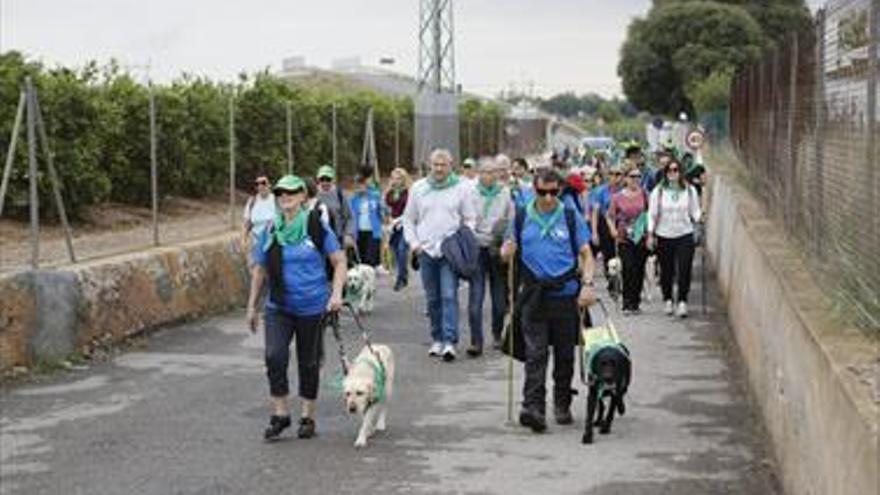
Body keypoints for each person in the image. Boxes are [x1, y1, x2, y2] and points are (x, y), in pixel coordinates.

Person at [246, 175, 347, 441]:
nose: (285, 196)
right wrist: (251, 307)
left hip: (313, 306)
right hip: (278, 306)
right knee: (274, 356)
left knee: (309, 361)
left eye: (291, 192)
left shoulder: (316, 225)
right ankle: (281, 414)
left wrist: (336, 294)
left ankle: (307, 416)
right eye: (280, 193)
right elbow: (259, 270)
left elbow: (339, 261)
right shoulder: (270, 230)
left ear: (303, 196)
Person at [502, 167, 596, 432]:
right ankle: (533, 408)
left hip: (566, 294)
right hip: (533, 295)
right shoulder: (521, 216)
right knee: (536, 354)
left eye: (554, 192)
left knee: (565, 354)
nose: (547, 198)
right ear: (534, 189)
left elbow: (587, 255)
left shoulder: (568, 214)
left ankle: (562, 401)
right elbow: (506, 254)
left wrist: (587, 285)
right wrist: (506, 251)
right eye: (542, 192)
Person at [403, 148, 477, 362]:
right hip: (426, 250)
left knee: (448, 295)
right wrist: (414, 243)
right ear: (430, 165)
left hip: (449, 251)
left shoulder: (461, 188)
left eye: (443, 164)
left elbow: (470, 218)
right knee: (433, 298)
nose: (439, 169)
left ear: (450, 166)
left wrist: (461, 240)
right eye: (435, 164)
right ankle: (436, 338)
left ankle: (450, 341)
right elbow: (409, 219)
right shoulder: (418, 188)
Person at [467, 156, 514, 355]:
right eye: (485, 171)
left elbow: (510, 221)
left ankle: (496, 333)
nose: (489, 175)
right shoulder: (469, 192)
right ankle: (476, 340)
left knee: (499, 298)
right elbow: (464, 218)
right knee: (476, 296)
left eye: (493, 171)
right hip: (476, 247)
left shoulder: (505, 192)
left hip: (496, 247)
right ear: (478, 173)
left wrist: (507, 243)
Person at [648, 159, 703, 318]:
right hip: (664, 235)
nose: (673, 173)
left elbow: (694, 211)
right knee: (667, 270)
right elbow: (652, 215)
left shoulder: (690, 190)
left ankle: (682, 301)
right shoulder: (658, 191)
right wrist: (651, 234)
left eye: (676, 170)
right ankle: (668, 299)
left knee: (684, 269)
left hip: (685, 234)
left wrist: (700, 217)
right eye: (669, 170)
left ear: (681, 172)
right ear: (665, 173)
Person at [606, 166, 650, 314]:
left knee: (639, 269)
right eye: (632, 176)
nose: (635, 179)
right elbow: (610, 216)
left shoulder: (645, 194)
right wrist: (612, 229)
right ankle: (626, 302)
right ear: (625, 178)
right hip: (624, 237)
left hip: (641, 236)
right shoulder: (617, 197)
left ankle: (635, 303)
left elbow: (650, 213)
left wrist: (651, 233)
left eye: (638, 176)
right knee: (628, 268)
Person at [590, 163, 624, 288]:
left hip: (622, 224)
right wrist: (594, 232)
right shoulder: (600, 191)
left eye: (618, 174)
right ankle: (612, 280)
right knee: (608, 255)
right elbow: (595, 212)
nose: (615, 177)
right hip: (604, 225)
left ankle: (621, 279)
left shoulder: (625, 191)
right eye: (612, 174)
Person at [350, 166, 384, 267]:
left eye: (361, 186)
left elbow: (383, 210)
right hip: (359, 231)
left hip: (373, 231)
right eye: (356, 186)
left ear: (365, 185)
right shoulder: (353, 200)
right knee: (361, 258)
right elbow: (350, 216)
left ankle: (371, 277)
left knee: (371, 258)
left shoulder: (375, 196)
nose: (359, 188)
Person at [242, 172, 278, 266]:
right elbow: (247, 224)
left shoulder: (276, 200)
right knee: (255, 271)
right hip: (255, 242)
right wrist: (243, 240)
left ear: (269, 185)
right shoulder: (252, 201)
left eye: (263, 183)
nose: (260, 186)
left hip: (273, 243)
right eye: (257, 184)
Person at [315, 165, 355, 248]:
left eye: (328, 179)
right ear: (318, 180)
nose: (325, 183)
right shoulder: (314, 195)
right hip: (318, 239)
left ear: (333, 180)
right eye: (322, 179)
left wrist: (348, 234)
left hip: (337, 238)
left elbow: (349, 217)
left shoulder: (339, 195)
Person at [385, 167, 411, 291]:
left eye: (399, 178)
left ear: (404, 179)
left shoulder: (408, 192)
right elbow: (387, 207)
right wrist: (389, 220)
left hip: (405, 224)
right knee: (394, 250)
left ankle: (401, 279)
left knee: (402, 249)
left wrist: (400, 220)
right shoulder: (390, 192)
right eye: (394, 178)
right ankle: (403, 273)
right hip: (393, 225)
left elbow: (410, 209)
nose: (396, 180)